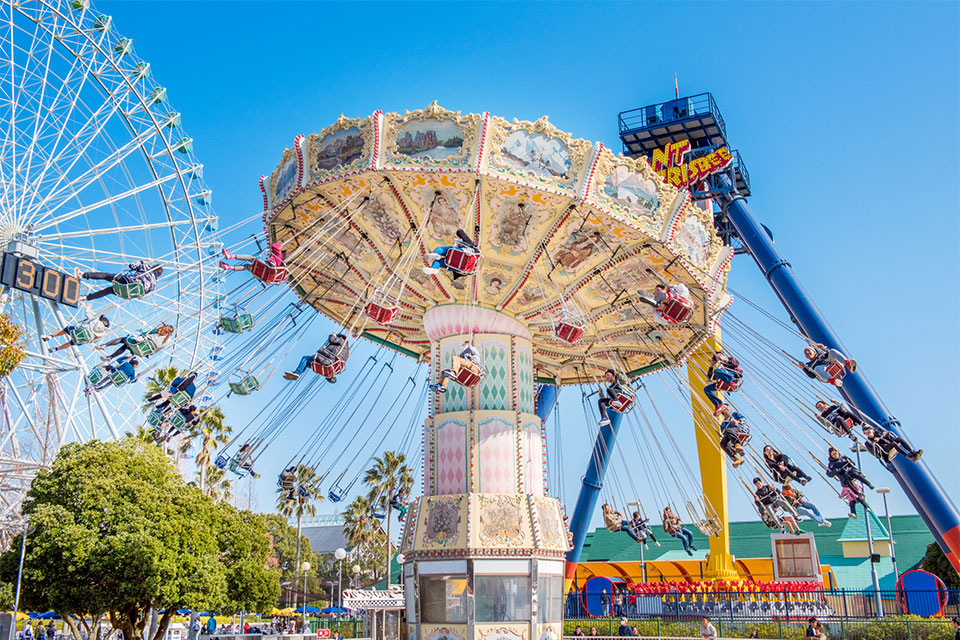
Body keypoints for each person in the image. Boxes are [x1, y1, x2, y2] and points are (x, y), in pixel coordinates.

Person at [79, 260, 163, 301]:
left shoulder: (147, 268)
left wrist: (141, 262)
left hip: (127, 282)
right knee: (108, 290)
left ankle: (83, 275)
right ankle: (86, 297)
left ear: (153, 267)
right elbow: (141, 296)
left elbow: (132, 266)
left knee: (106, 276)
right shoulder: (154, 285)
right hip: (128, 293)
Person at [43, 304, 111, 352]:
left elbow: (87, 313)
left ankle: (51, 336)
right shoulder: (103, 333)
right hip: (83, 340)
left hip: (78, 331)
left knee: (66, 330)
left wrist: (88, 306)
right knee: (70, 343)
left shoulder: (96, 320)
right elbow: (94, 341)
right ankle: (55, 349)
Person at [285, 333, 350, 382]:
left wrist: (333, 335)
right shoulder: (346, 352)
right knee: (307, 364)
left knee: (305, 358)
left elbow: (331, 340)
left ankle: (297, 372)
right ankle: (297, 373)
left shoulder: (342, 341)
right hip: (330, 368)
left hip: (326, 361)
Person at [99, 323, 174, 360]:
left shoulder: (156, 331)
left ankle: (104, 345)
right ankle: (109, 357)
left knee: (123, 339)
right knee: (126, 345)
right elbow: (157, 350)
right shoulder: (167, 342)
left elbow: (144, 334)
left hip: (137, 345)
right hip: (142, 352)